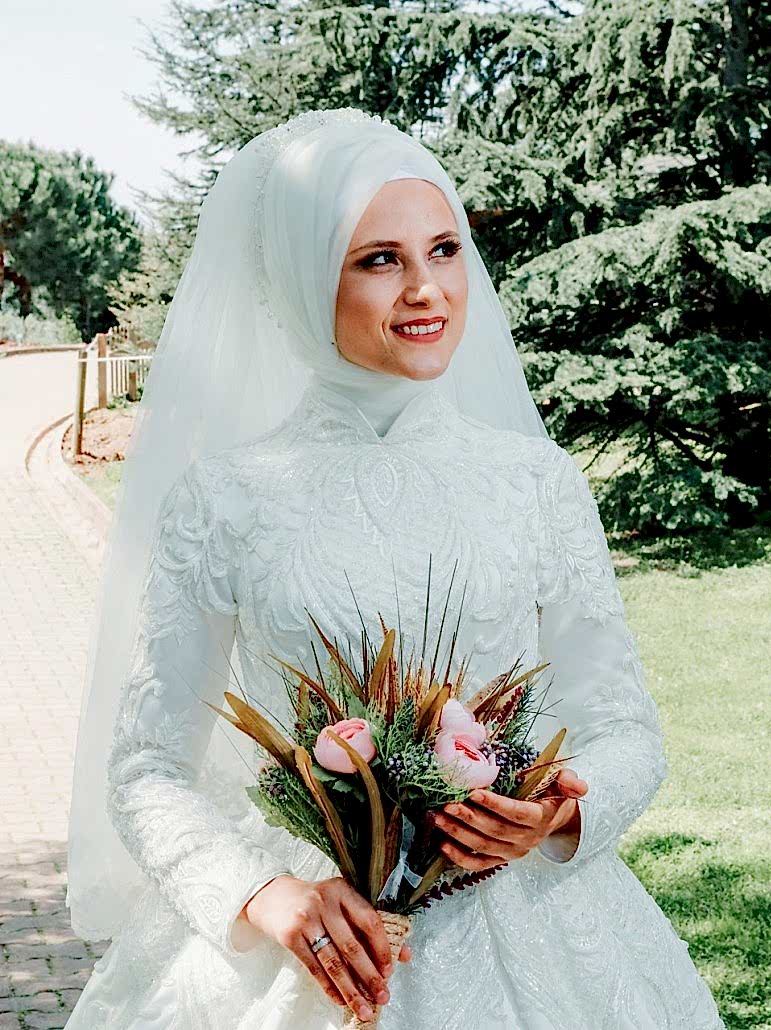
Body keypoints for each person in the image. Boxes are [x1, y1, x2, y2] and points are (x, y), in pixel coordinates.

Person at [65, 108, 725, 1028]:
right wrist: (263, 894)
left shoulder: (534, 483)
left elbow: (624, 729)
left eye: (444, 250)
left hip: (531, 932)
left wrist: (556, 816)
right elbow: (146, 765)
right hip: (309, 946)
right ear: (303, 279)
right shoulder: (225, 499)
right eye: (379, 259)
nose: (427, 289)